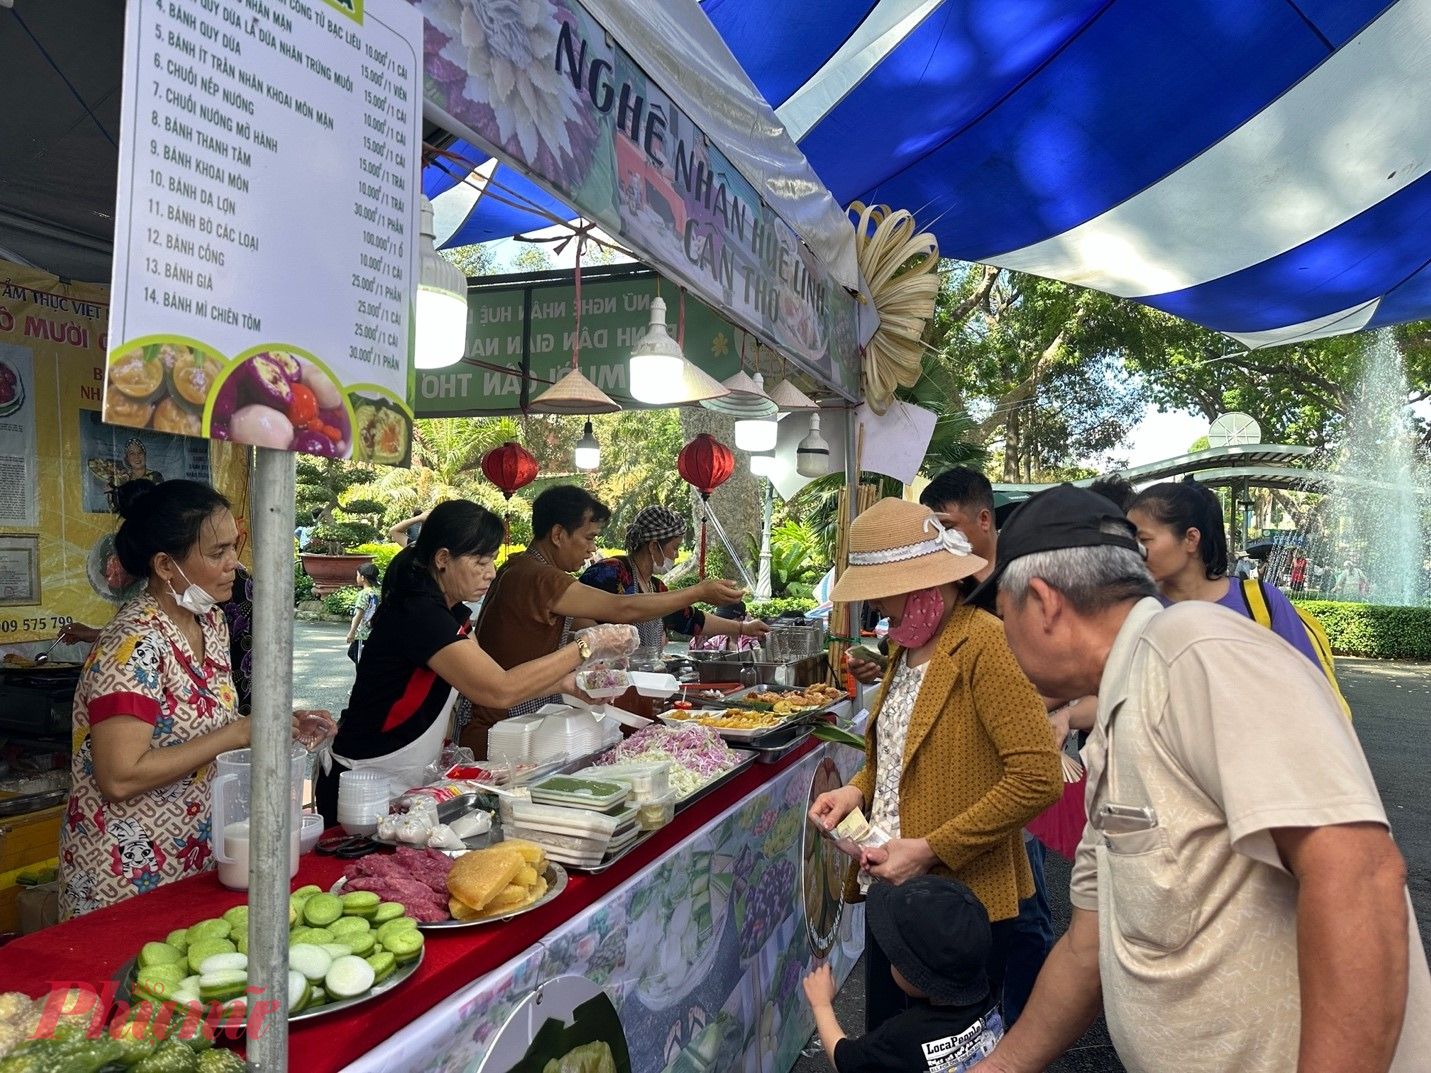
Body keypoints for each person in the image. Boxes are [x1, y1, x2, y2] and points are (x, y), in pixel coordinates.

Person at [966, 484, 1431, 1073]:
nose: (1006, 643)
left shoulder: (1195, 653)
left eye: (1005, 619)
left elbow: (1358, 874)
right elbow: (1090, 944)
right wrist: (1002, 1067)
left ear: (1045, 603)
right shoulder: (1120, 710)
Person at [808, 497, 1062, 1033]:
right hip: (895, 893)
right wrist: (857, 791)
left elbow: (1037, 777)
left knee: (948, 1050)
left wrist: (929, 850)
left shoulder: (984, 643)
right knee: (889, 1037)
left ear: (923, 580)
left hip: (958, 910)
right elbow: (898, 756)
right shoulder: (908, 645)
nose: (878, 607)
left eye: (883, 592)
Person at [315, 500, 639, 826]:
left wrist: (565, 683)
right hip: (362, 782)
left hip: (403, 781)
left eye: (493, 561)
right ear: (443, 559)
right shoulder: (419, 614)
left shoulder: (451, 613)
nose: (492, 573)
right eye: (481, 562)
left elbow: (493, 677)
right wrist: (588, 645)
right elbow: (499, 691)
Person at [59, 480, 258, 916]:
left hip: (192, 857)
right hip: (123, 877)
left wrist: (280, 725)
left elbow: (205, 717)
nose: (234, 565)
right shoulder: (133, 645)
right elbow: (119, 776)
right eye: (217, 552)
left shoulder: (211, 623)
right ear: (166, 565)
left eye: (234, 547)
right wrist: (237, 734)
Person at [918, 467, 1057, 1028]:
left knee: (1025, 911)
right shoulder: (960, 595)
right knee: (1011, 906)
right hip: (980, 778)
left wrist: (1058, 715)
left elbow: (1036, 766)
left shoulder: (1014, 594)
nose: (939, 540)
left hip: (1016, 773)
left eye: (947, 525)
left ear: (983, 519)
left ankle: (1019, 1027)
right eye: (932, 529)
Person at [467, 486, 744, 755]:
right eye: (588, 538)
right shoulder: (540, 576)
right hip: (502, 726)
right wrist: (698, 591)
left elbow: (568, 625)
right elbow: (620, 608)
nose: (592, 549)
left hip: (516, 715)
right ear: (558, 534)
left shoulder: (520, 566)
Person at [803, 876, 1003, 1073]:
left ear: (917, 975)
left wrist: (821, 1004)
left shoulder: (903, 1035)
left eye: (896, 956)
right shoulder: (990, 994)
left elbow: (844, 1059)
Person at [1126, 481, 1323, 668]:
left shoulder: (1262, 602)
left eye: (1144, 539)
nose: (1135, 550)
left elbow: (1312, 687)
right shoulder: (1135, 608)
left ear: (1191, 539)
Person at [574, 505, 770, 657]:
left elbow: (691, 619)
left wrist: (744, 628)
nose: (676, 556)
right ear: (653, 546)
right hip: (605, 679)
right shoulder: (610, 571)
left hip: (644, 680)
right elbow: (578, 620)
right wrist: (596, 653)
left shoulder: (657, 587)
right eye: (675, 548)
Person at [88, 436, 164, 513]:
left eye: (140, 453)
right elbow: (114, 509)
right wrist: (113, 492)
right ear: (127, 458)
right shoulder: (121, 479)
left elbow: (159, 504)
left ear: (145, 455)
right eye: (132, 453)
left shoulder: (155, 476)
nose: (137, 457)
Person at [345, 562, 380, 662]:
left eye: (357, 575)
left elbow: (359, 613)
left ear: (363, 577)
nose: (357, 578)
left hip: (362, 633)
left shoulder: (364, 593)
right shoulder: (375, 593)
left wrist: (352, 632)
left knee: (359, 659)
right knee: (353, 653)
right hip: (371, 631)